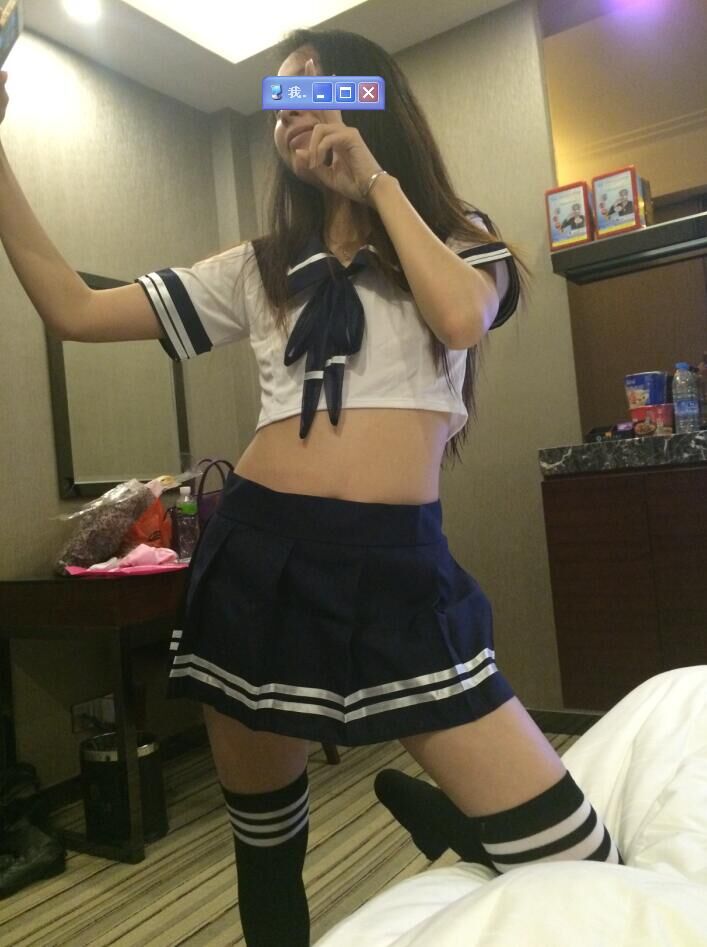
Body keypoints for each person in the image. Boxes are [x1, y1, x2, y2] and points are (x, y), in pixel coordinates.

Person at [0, 27, 624, 946]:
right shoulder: (259, 266)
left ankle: (456, 825)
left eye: (315, 88)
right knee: (266, 846)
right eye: (278, 99)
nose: (290, 112)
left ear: (372, 100)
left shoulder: (459, 236)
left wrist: (376, 185)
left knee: (575, 850)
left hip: (399, 567)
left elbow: (459, 319)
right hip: (258, 560)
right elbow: (73, 308)